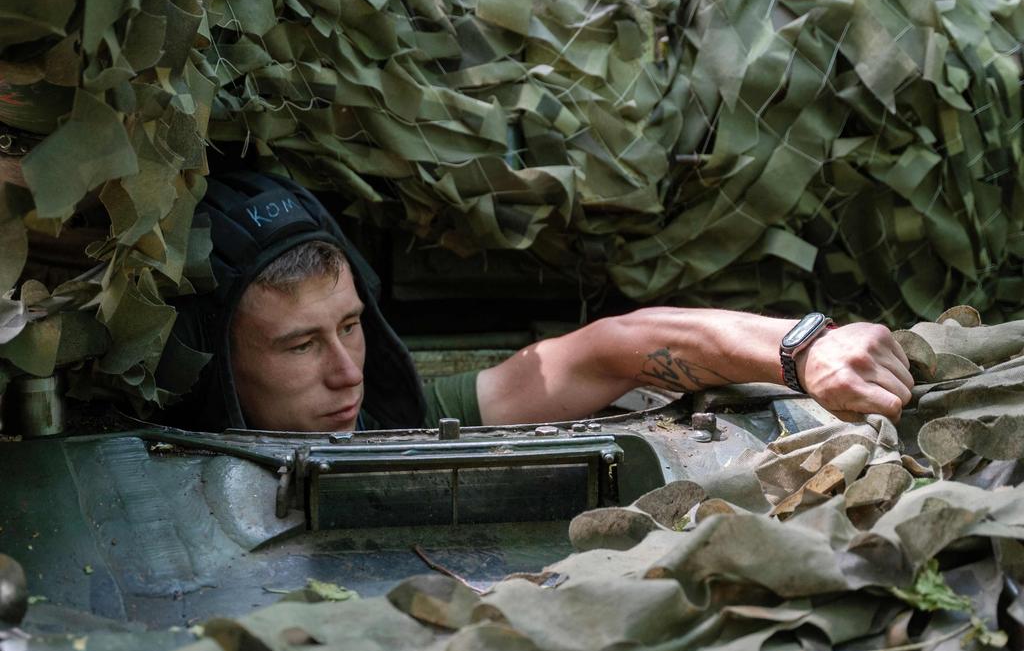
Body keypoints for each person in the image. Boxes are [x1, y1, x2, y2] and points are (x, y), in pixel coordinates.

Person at [167, 171, 914, 433]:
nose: (346, 373)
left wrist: (805, 346)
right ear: (213, 363)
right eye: (299, 345)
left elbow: (613, 347)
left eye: (353, 326)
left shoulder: (387, 416)